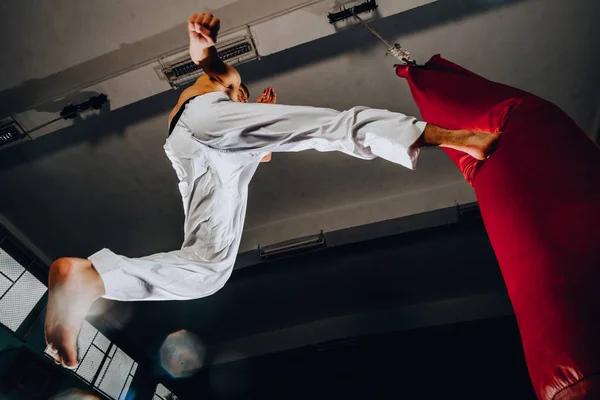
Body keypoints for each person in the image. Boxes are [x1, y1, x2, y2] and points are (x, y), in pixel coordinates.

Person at [45, 13, 500, 368]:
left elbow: (260, 155)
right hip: (202, 126)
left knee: (211, 269)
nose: (246, 102)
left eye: (247, 107)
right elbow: (218, 69)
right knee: (328, 126)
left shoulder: (245, 133)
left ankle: (90, 278)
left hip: (195, 158)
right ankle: (454, 136)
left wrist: (267, 126)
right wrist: (203, 55)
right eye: (244, 105)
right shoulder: (226, 88)